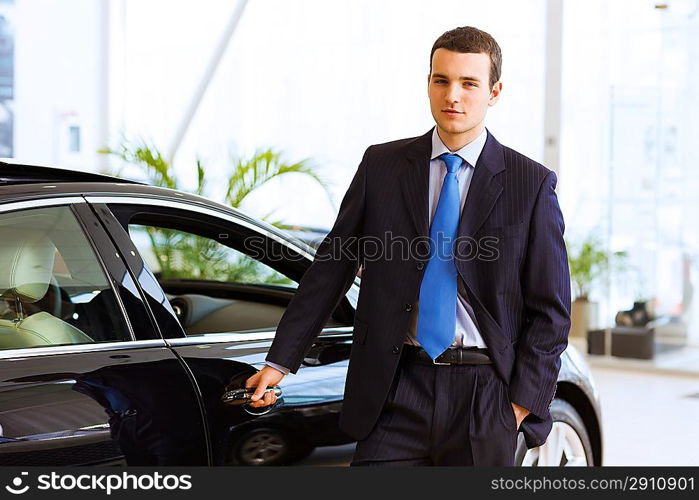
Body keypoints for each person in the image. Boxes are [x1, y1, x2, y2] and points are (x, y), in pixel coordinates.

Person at [245, 26, 571, 466]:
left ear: (494, 92)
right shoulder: (382, 165)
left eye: (469, 83)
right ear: (429, 83)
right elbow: (332, 268)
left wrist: (516, 408)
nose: (452, 95)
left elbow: (551, 312)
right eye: (442, 80)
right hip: (395, 388)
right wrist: (281, 361)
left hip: (485, 395)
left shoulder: (530, 184)